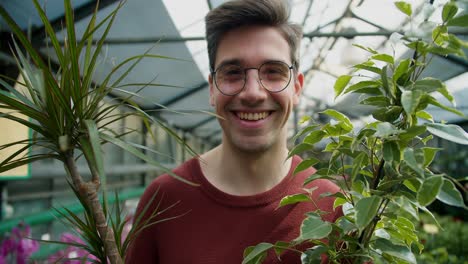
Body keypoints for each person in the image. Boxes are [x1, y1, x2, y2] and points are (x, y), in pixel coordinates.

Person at [125, 0, 342, 263]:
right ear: (212, 89)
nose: (252, 92)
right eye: (233, 72)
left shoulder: (332, 208)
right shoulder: (164, 198)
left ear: (296, 88)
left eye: (273, 72)